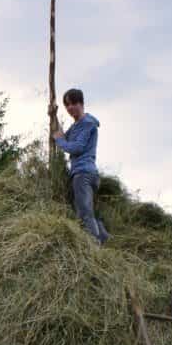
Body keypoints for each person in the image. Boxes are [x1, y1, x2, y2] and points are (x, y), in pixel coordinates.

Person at [50, 88, 109, 245]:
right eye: (67, 105)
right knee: (88, 211)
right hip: (85, 174)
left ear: (81, 103)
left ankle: (94, 246)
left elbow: (76, 147)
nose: (70, 108)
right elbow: (62, 135)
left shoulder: (87, 124)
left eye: (73, 103)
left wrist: (60, 142)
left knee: (84, 213)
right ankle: (103, 239)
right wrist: (53, 116)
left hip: (84, 174)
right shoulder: (77, 125)